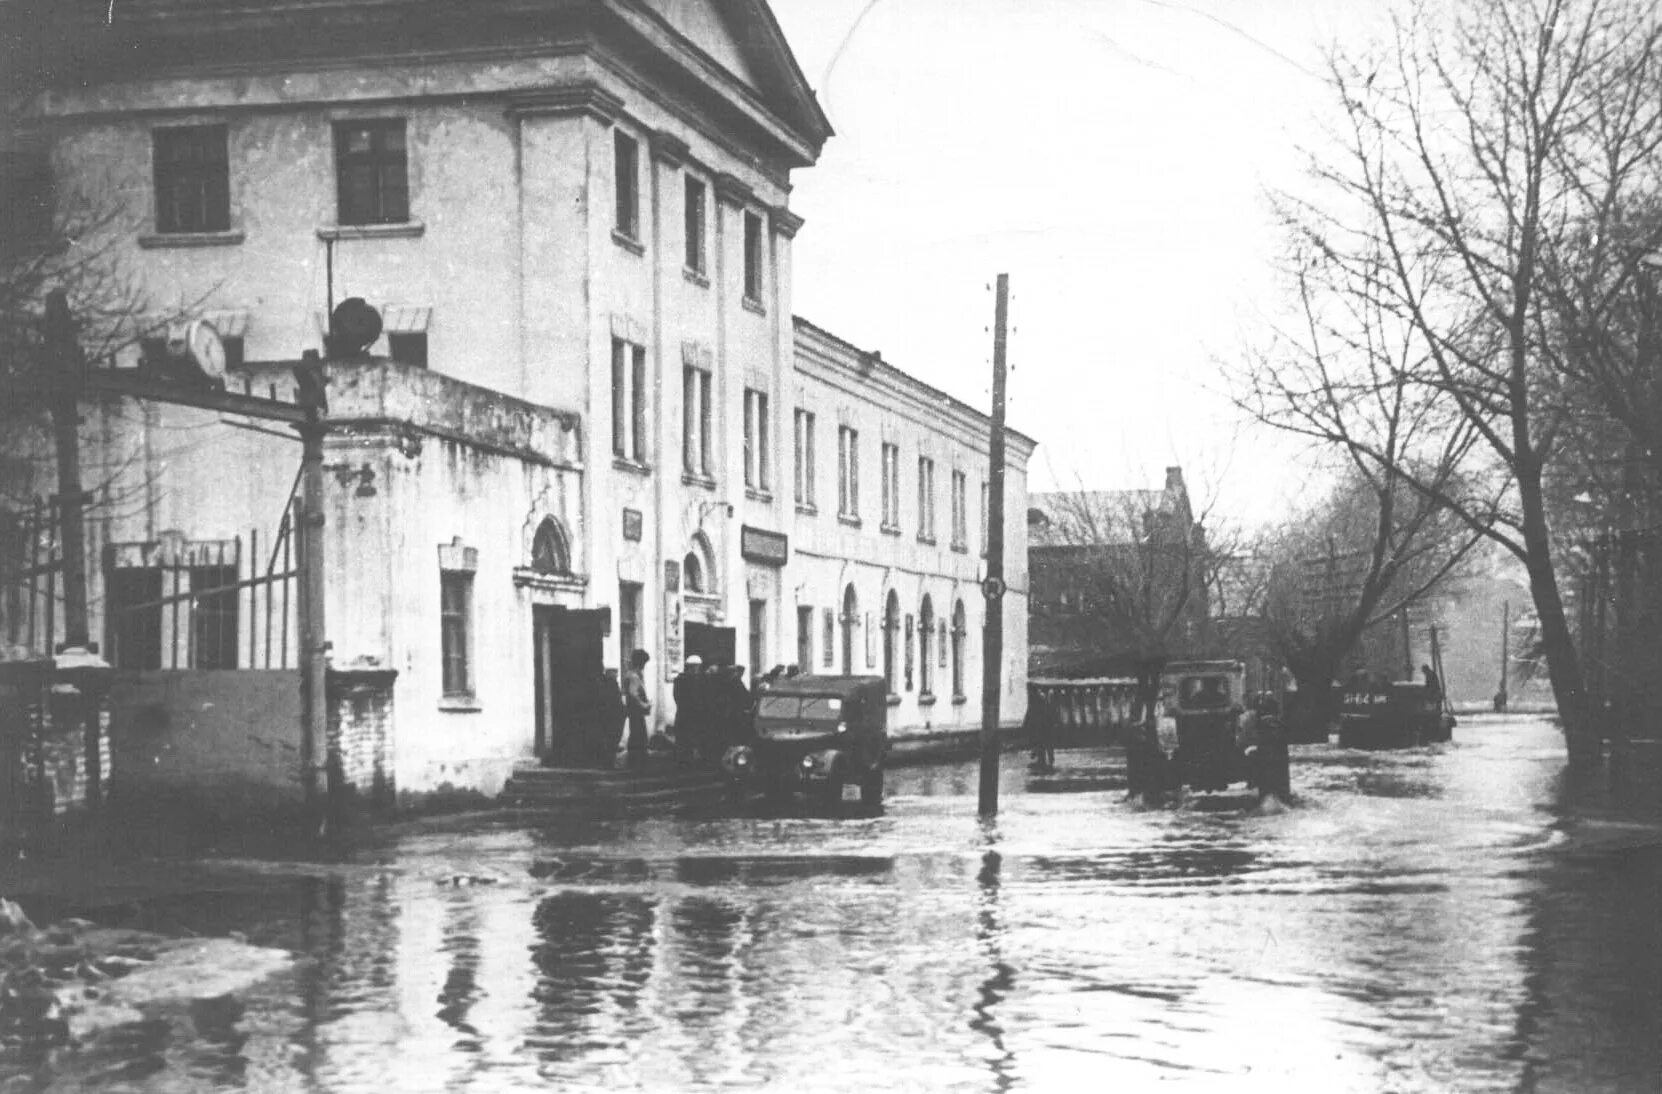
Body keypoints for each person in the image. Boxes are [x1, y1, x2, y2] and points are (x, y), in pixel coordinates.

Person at [622, 649, 652, 772]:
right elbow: (633, 693)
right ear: (641, 663)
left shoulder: (630, 673)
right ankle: (637, 764)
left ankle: (635, 762)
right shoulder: (634, 676)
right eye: (644, 663)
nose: (644, 666)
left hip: (632, 710)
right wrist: (644, 705)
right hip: (636, 711)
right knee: (639, 736)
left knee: (636, 734)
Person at [673, 655, 705, 765]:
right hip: (688, 712)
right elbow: (681, 697)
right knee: (687, 736)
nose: (696, 669)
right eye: (695, 667)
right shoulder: (686, 680)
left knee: (687, 736)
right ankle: (685, 759)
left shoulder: (681, 679)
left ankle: (686, 759)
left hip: (685, 712)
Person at [1025, 691, 1058, 773]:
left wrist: (1026, 727)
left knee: (1042, 747)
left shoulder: (1034, 707)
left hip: (1041, 731)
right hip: (1046, 730)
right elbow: (1054, 717)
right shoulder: (1048, 706)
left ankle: (1043, 762)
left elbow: (1028, 718)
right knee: (1047, 747)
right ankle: (1048, 762)